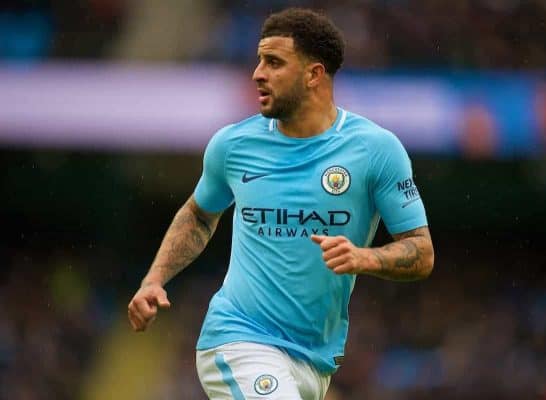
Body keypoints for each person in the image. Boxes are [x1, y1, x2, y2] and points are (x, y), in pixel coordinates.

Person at [128, 7, 434, 400]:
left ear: (314, 75)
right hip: (239, 339)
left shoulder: (376, 150)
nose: (258, 72)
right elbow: (198, 214)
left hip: (314, 361)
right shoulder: (233, 145)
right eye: (259, 60)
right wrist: (154, 279)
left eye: (273, 62)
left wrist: (365, 258)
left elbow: (422, 252)